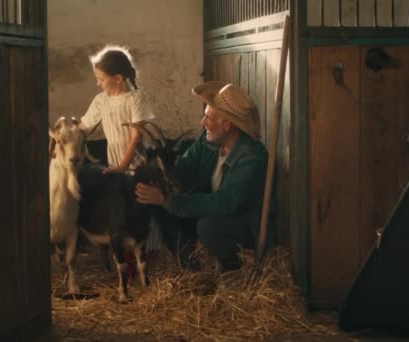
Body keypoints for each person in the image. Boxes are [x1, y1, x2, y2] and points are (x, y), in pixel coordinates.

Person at [135, 81, 269, 271]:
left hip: (241, 223)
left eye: (207, 118)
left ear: (227, 125)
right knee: (167, 207)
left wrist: (170, 201)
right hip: (214, 208)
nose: (202, 122)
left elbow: (224, 202)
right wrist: (165, 169)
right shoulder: (209, 141)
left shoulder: (252, 158)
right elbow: (186, 167)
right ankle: (192, 268)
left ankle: (238, 262)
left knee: (207, 227)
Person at [80, 45, 155, 174]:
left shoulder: (136, 99)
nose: (98, 83)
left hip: (137, 166)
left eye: (101, 79)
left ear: (118, 79)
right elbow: (83, 129)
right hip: (113, 164)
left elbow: (136, 137)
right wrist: (63, 139)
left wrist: (122, 167)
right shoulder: (101, 100)